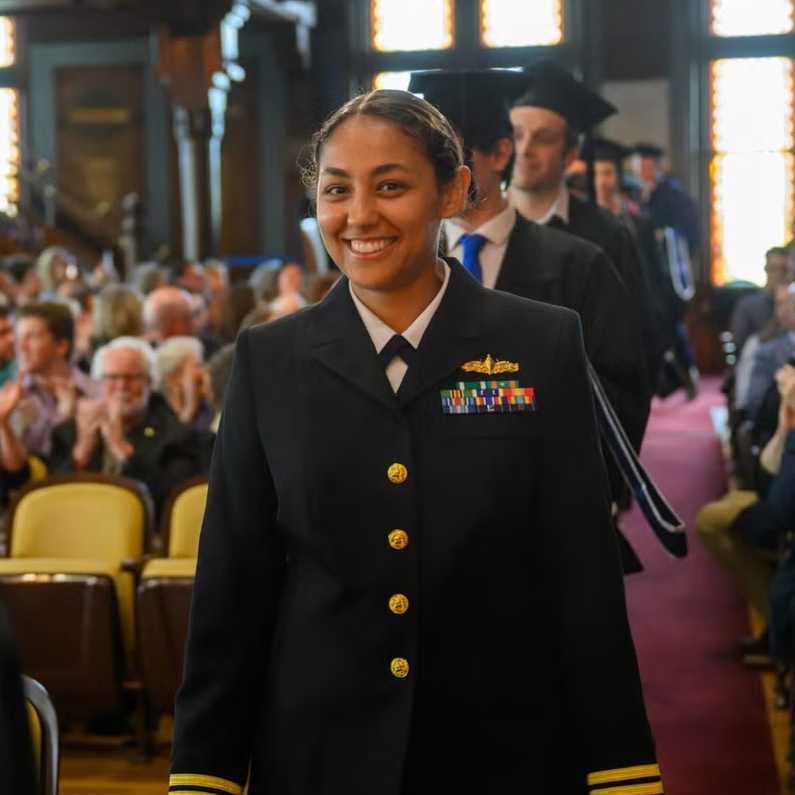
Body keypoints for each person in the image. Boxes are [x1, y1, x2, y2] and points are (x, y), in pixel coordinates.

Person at [170, 88, 661, 795]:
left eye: (391, 186)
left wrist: (621, 772)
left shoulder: (539, 341)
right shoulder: (268, 359)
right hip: (320, 754)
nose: (359, 215)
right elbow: (232, 588)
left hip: (500, 750)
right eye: (335, 190)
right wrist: (203, 776)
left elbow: (579, 574)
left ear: (453, 189)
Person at [409, 68, 650, 572]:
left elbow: (618, 395)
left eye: (446, 157)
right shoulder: (406, 267)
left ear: (499, 154)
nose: (427, 176)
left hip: (540, 533)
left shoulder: (578, 265)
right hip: (424, 531)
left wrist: (469, 403)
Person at [48, 336, 205, 519]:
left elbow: (170, 503)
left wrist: (122, 449)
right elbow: (51, 502)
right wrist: (81, 453)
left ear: (149, 382)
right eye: (112, 378)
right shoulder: (69, 433)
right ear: (97, 384)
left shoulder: (177, 436)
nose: (122, 386)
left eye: (131, 378)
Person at [730, 247, 791, 355]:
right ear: (766, 269)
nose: (779, 274)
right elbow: (739, 343)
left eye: (783, 269)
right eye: (774, 269)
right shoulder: (748, 305)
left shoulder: (792, 304)